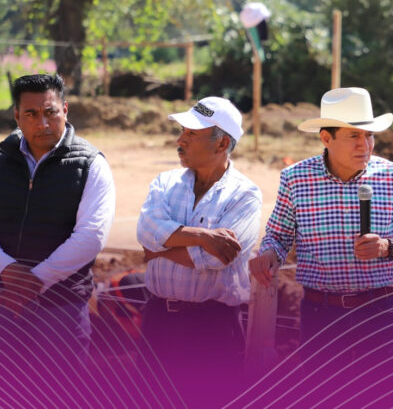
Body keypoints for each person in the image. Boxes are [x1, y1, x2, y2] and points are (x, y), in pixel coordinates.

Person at [249, 87, 393, 373]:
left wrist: (388, 247)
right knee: (324, 391)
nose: (365, 145)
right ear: (326, 138)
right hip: (321, 314)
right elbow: (278, 236)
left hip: (381, 311)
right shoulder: (295, 179)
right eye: (354, 136)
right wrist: (269, 254)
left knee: (383, 392)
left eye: (369, 135)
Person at [136, 97, 262, 405]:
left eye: (192, 133)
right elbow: (146, 231)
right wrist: (202, 236)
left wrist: (159, 250)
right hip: (157, 322)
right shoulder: (165, 182)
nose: (180, 140)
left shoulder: (245, 194)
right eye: (182, 131)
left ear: (222, 144)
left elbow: (215, 258)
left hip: (213, 329)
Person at [0, 74, 115, 392]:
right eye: (31, 114)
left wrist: (35, 281)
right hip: (3, 305)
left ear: (65, 110)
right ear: (17, 116)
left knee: (57, 395)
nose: (43, 123)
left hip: (60, 311)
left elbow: (91, 237)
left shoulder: (91, 164)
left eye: (50, 112)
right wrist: (6, 269)